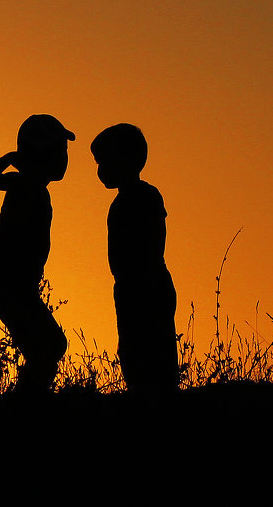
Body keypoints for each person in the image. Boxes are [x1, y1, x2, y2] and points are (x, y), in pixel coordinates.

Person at [0, 114, 73, 394]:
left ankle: (29, 397)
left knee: (47, 346)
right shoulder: (23, 185)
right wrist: (11, 157)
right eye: (59, 151)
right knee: (49, 345)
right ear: (40, 153)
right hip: (11, 288)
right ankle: (27, 403)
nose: (65, 159)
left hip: (19, 288)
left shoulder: (33, 187)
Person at [90, 123, 178, 393]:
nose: (100, 171)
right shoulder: (124, 201)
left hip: (147, 284)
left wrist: (139, 277)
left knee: (154, 348)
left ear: (126, 160)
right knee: (131, 348)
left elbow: (153, 242)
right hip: (129, 286)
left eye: (104, 162)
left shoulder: (146, 196)